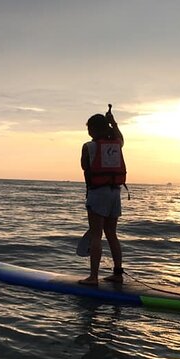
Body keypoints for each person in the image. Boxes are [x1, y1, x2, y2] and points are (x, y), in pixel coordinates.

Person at [79, 105, 126, 286]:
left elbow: (85, 166)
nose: (88, 131)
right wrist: (112, 122)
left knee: (96, 234)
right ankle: (118, 273)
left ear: (95, 129)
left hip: (98, 193)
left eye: (90, 128)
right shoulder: (117, 144)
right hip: (115, 193)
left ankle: (93, 277)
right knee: (112, 234)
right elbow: (120, 136)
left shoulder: (88, 146)